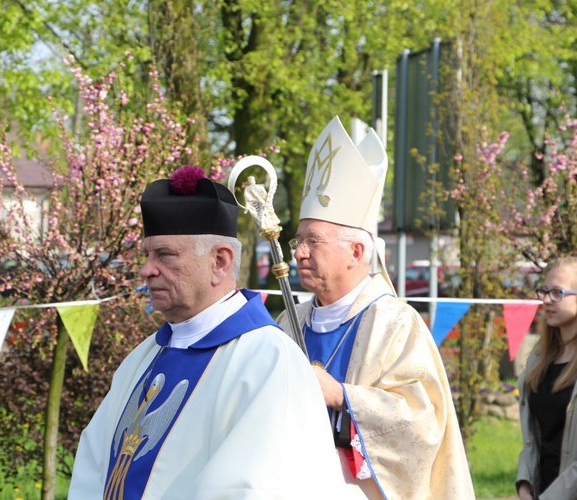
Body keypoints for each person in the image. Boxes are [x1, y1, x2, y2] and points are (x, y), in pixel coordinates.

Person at [68, 165, 349, 499]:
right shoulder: (142, 359)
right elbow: (92, 466)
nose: (146, 269)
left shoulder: (268, 361)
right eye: (147, 254)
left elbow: (256, 488)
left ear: (219, 261)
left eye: (165, 255)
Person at [277, 116, 474, 499]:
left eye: (313, 241)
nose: (299, 252)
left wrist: (342, 396)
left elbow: (422, 422)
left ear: (356, 251)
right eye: (298, 240)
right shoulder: (289, 320)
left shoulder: (395, 324)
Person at [517, 257, 577, 500]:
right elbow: (533, 439)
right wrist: (525, 484)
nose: (546, 299)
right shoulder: (539, 358)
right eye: (544, 291)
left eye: (557, 293)